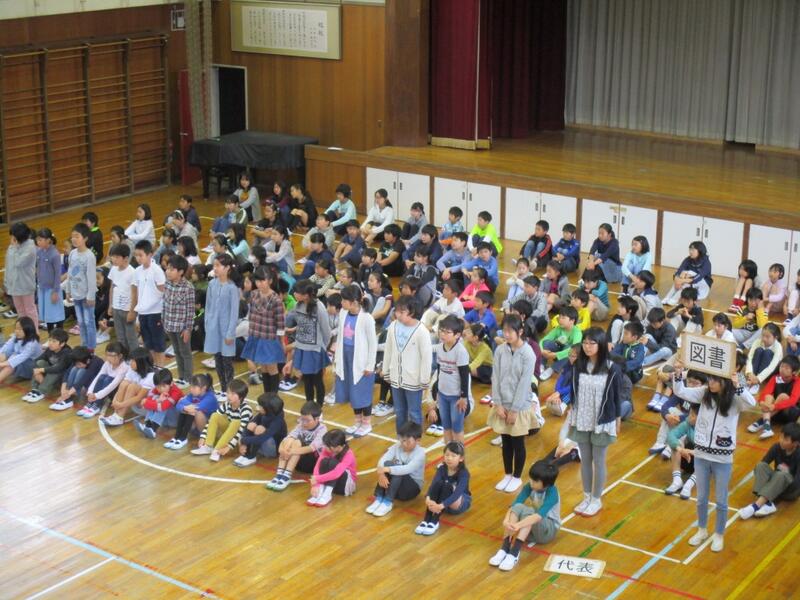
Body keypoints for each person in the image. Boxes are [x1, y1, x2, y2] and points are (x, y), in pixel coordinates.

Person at [672, 365, 756, 552]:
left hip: (722, 458)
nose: (710, 383)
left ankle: (719, 534)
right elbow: (680, 391)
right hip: (701, 454)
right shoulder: (704, 393)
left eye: (715, 380)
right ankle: (702, 530)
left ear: (724, 381)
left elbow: (751, 403)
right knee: (701, 498)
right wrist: (677, 374)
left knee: (721, 500)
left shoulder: (735, 399)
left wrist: (738, 385)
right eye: (710, 378)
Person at [569, 327, 623, 517]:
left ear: (601, 344)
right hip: (581, 417)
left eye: (592, 343)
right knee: (585, 459)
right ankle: (586, 497)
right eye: (585, 342)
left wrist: (617, 419)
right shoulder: (579, 365)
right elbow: (574, 389)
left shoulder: (612, 368)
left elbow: (616, 396)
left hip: (602, 420)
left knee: (599, 460)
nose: (587, 346)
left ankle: (596, 499)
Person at [487, 314, 537, 494]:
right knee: (505, 441)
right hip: (503, 403)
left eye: (510, 331)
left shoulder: (528, 354)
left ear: (520, 332)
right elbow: (495, 376)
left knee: (517, 442)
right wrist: (498, 403)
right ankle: (507, 474)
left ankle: (517, 476)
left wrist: (515, 409)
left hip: (519, 406)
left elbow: (524, 384)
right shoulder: (501, 350)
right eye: (504, 331)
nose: (506, 335)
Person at [489, 460, 560, 572]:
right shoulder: (530, 486)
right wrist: (506, 520)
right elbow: (515, 504)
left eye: (535, 481)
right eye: (531, 479)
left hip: (547, 531)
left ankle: (514, 552)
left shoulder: (552, 493)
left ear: (546, 484)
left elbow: (538, 516)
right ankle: (505, 548)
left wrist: (518, 525)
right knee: (518, 506)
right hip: (531, 529)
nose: (531, 482)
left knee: (530, 512)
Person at [384, 296, 432, 434]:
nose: (397, 314)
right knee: (399, 412)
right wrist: (386, 371)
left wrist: (424, 379)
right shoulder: (393, 327)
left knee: (414, 412)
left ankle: (415, 441)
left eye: (402, 311)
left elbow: (426, 358)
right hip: (396, 378)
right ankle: (402, 439)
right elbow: (388, 350)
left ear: (412, 312)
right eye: (397, 311)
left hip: (413, 380)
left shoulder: (421, 331)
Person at [335, 285, 378, 436]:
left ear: (353, 302)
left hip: (360, 360)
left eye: (344, 300)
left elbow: (373, 344)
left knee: (362, 393)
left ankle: (366, 423)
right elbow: (340, 336)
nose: (341, 303)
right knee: (352, 391)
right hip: (346, 357)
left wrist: (370, 365)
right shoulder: (343, 313)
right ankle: (357, 421)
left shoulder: (367, 318)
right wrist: (337, 358)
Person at [739, 422, 800, 519]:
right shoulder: (776, 447)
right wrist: (772, 484)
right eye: (781, 437)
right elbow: (762, 465)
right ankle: (767, 503)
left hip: (789, 491)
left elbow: (797, 483)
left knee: (781, 475)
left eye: (785, 439)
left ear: (796, 443)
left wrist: (778, 485)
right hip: (774, 484)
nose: (781, 440)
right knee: (761, 466)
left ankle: (756, 506)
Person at [285, 279, 331, 406]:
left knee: (317, 381)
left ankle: (319, 407)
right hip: (302, 349)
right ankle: (309, 406)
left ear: (306, 295)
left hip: (315, 350)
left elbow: (326, 331)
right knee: (307, 380)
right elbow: (299, 324)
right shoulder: (298, 305)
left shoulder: (319, 307)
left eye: (297, 292)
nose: (294, 294)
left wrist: (322, 347)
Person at [367, 421, 425, 517]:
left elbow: (407, 469)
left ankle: (388, 501)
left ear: (418, 441)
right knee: (388, 464)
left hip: (411, 490)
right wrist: (381, 474)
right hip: (396, 487)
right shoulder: (397, 446)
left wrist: (386, 469)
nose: (404, 444)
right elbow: (382, 460)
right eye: (402, 440)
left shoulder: (420, 453)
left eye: (408, 441)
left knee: (393, 467)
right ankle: (379, 497)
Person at [242, 266, 285, 393]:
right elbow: (251, 315)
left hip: (269, 339)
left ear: (270, 281)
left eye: (262, 280)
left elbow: (280, 324)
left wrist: (281, 342)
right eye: (257, 281)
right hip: (256, 336)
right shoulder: (254, 294)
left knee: (272, 368)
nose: (259, 283)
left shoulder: (276, 299)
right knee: (264, 368)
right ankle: (267, 396)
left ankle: (274, 398)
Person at [267, 401, 328, 491]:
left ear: (317, 419)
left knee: (297, 442)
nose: (304, 423)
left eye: (307, 420)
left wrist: (290, 451)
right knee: (289, 440)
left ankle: (287, 476)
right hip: (298, 462)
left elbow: (311, 448)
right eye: (302, 419)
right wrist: (282, 450)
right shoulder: (300, 425)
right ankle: (279, 474)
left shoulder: (322, 429)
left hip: (312, 464)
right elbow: (286, 440)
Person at [414, 441, 471, 536]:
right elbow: (433, 485)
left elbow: (457, 494)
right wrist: (428, 498)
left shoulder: (464, 473)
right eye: (447, 455)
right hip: (442, 503)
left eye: (453, 456)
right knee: (439, 483)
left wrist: (441, 506)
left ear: (461, 458)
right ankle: (426, 519)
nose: (449, 458)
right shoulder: (441, 469)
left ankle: (435, 521)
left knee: (447, 485)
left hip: (458, 503)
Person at [204, 254, 240, 393]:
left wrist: (230, 333)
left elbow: (234, 313)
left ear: (227, 268)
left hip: (226, 330)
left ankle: (230, 391)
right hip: (213, 328)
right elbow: (208, 306)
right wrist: (207, 324)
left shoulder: (232, 288)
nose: (215, 268)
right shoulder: (212, 284)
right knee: (217, 360)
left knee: (227, 362)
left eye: (218, 265)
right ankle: (223, 389)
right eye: (214, 265)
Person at [191, 379, 251, 462]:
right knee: (214, 415)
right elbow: (211, 420)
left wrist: (229, 447)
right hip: (229, 433)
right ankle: (208, 446)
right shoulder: (227, 404)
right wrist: (203, 436)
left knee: (236, 422)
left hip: (240, 439)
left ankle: (217, 450)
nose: (229, 396)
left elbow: (241, 431)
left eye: (233, 394)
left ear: (241, 396)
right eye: (228, 392)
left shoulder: (246, 409)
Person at [433, 316, 471, 443]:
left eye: (447, 332)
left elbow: (464, 376)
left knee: (457, 428)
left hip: (456, 397)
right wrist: (438, 391)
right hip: (443, 395)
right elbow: (439, 370)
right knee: (446, 427)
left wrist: (463, 397)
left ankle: (459, 455)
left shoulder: (460, 351)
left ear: (457, 335)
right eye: (442, 331)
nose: (443, 334)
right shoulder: (440, 348)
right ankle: (448, 454)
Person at [130, 240, 166, 366]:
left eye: (141, 255)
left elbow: (163, 291)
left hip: (155, 313)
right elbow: (136, 294)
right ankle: (152, 368)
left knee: (158, 344)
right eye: (136, 255)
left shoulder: (157, 271)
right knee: (148, 343)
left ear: (150, 255)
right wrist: (136, 314)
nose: (138, 258)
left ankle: (160, 368)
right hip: (143, 313)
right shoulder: (137, 271)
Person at [747, 355, 800, 440]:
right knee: (768, 397)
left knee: (783, 396)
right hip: (774, 413)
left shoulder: (797, 381)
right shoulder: (775, 378)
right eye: (782, 366)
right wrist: (762, 402)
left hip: (790, 414)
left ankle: (761, 421)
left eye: (787, 368)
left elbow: (793, 401)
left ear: (794, 372)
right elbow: (765, 393)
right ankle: (767, 427)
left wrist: (774, 406)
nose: (782, 369)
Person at [101, 347, 154, 425]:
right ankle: (116, 415)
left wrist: (120, 405)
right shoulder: (132, 370)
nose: (130, 363)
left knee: (133, 386)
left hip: (146, 408)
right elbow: (122, 386)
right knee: (124, 384)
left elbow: (139, 397)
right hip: (134, 405)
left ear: (141, 362)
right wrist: (115, 401)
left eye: (133, 361)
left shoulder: (151, 376)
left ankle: (119, 417)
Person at [75, 342, 130, 418]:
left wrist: (96, 396)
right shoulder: (107, 363)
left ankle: (97, 405)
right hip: (105, 392)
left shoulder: (124, 367)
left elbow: (113, 385)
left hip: (116, 394)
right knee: (102, 377)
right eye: (107, 355)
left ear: (120, 356)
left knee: (108, 379)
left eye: (111, 355)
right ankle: (91, 403)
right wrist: (90, 392)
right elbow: (98, 377)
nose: (108, 358)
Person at [165, 373, 217, 450]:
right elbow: (178, 405)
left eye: (194, 387)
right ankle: (177, 436)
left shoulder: (210, 397)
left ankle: (183, 438)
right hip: (195, 429)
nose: (191, 389)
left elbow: (196, 408)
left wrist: (185, 405)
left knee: (196, 411)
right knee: (186, 409)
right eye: (191, 386)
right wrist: (185, 407)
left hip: (207, 431)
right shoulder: (192, 395)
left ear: (203, 388)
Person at [234, 392, 287, 466]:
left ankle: (251, 457)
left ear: (268, 409)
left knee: (259, 429)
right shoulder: (265, 413)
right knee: (251, 425)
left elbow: (261, 438)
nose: (258, 407)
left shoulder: (277, 421)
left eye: (260, 406)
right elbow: (249, 425)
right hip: (262, 442)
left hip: (273, 450)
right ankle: (246, 454)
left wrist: (243, 440)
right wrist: (244, 444)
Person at [308, 429, 358, 506]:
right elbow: (318, 465)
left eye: (328, 446)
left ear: (338, 447)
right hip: (333, 484)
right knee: (324, 461)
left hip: (345, 486)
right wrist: (316, 485)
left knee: (332, 463)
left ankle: (327, 494)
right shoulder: (327, 449)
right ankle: (320, 491)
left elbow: (336, 473)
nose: (325, 447)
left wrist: (317, 479)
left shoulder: (349, 454)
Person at [67, 223, 97, 349]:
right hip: (76, 295)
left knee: (89, 322)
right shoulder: (72, 253)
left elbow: (91, 278)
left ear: (85, 238)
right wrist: (68, 290)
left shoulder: (89, 256)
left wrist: (90, 296)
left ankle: (91, 348)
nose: (74, 239)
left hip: (86, 296)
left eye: (77, 236)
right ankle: (84, 346)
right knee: (80, 322)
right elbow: (70, 273)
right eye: (72, 236)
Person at [23, 328, 71, 404]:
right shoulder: (50, 349)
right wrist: (37, 372)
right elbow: (36, 360)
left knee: (55, 369)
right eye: (49, 340)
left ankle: (42, 391)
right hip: (50, 377)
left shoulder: (67, 352)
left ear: (62, 344)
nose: (50, 343)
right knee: (40, 363)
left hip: (62, 380)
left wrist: (41, 370)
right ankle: (35, 389)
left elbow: (59, 368)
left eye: (54, 341)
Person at [5, 223, 38, 328]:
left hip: (25, 285)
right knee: (20, 311)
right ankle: (24, 332)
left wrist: (15, 248)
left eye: (13, 235)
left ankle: (34, 333)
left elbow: (18, 263)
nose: (11, 237)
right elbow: (9, 264)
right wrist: (7, 281)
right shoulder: (13, 246)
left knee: (30, 310)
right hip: (14, 284)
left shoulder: (30, 248)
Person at [134, 368, 183, 439]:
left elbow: (161, 407)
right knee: (156, 399)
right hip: (165, 420)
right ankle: (147, 426)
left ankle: (153, 429)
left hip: (176, 420)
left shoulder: (176, 392)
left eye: (164, 386)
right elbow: (146, 403)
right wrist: (157, 400)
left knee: (162, 403)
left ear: (171, 383)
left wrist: (147, 402)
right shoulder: (157, 389)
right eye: (158, 387)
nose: (161, 389)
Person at [107, 244, 138, 352]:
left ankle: (135, 358)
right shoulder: (113, 269)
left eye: (117, 257)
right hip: (116, 308)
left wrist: (132, 311)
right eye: (112, 257)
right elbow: (112, 288)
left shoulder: (132, 272)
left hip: (127, 310)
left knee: (131, 337)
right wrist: (110, 305)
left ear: (125, 258)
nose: (113, 259)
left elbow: (135, 293)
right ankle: (124, 356)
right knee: (120, 336)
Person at [663, 404, 698, 498]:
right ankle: (677, 480)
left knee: (707, 458)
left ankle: (689, 485)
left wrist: (691, 451)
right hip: (688, 459)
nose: (689, 416)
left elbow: (709, 452)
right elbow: (671, 435)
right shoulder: (687, 424)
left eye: (692, 415)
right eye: (690, 413)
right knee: (676, 443)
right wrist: (680, 449)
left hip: (704, 464)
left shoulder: (710, 430)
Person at [540, 307, 583, 381]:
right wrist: (542, 351)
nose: (560, 320)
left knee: (571, 351)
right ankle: (542, 364)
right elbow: (543, 340)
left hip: (566, 357)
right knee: (546, 343)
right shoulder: (558, 328)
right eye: (559, 317)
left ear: (572, 320)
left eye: (563, 318)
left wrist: (555, 355)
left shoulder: (577, 332)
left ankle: (552, 369)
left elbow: (574, 350)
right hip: (558, 353)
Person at [35, 228, 65, 331]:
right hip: (42, 288)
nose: (38, 242)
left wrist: (55, 291)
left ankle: (59, 334)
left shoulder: (55, 254)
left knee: (56, 315)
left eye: (40, 240)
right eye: (37, 240)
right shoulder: (39, 252)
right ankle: (50, 335)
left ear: (48, 240)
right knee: (47, 316)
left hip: (52, 289)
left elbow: (57, 274)